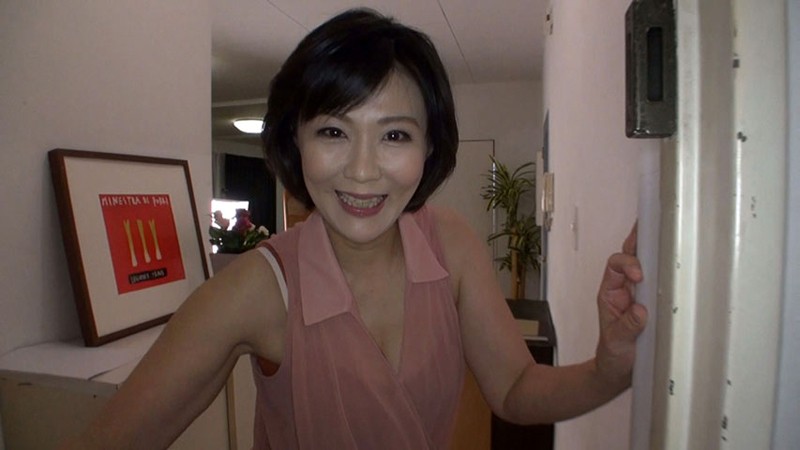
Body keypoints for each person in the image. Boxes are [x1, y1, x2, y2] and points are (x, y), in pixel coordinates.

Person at [62, 8, 646, 449]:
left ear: (428, 147)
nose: (363, 171)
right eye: (333, 132)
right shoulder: (255, 291)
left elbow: (515, 390)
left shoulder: (451, 247)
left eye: (394, 135)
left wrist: (608, 367)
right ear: (296, 139)